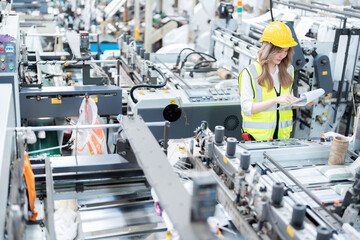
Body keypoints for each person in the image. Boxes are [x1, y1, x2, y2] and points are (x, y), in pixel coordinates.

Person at [239, 21, 313, 141]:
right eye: (279, 51)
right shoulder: (250, 73)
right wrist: (274, 100)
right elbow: (247, 109)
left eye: (286, 51)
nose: (282, 55)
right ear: (268, 49)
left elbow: (287, 102)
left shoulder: (289, 70)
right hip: (257, 140)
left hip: (282, 139)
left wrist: (301, 102)